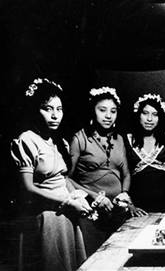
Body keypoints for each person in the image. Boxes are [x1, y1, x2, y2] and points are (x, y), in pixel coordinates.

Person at [10, 78, 92, 271]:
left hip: (66, 214)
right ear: (34, 109)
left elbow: (63, 180)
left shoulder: (59, 141)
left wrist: (80, 197)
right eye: (48, 109)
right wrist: (65, 202)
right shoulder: (27, 140)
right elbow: (27, 188)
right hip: (47, 215)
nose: (55, 115)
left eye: (59, 109)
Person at [68, 86, 145, 256]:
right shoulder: (79, 138)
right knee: (95, 259)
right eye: (102, 110)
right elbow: (67, 179)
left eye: (113, 111)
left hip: (118, 212)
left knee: (119, 258)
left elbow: (126, 173)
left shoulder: (118, 138)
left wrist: (125, 195)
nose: (108, 116)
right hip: (91, 213)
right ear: (92, 111)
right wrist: (93, 196)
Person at [125, 93, 165, 212]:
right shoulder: (127, 141)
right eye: (145, 113)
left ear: (160, 117)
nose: (149, 119)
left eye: (155, 114)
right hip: (139, 209)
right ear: (138, 115)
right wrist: (129, 205)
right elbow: (123, 175)